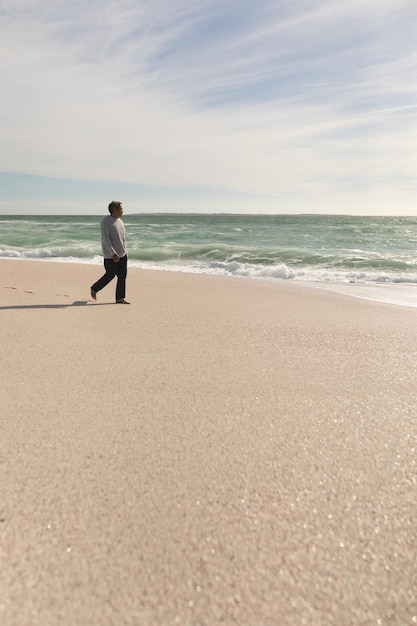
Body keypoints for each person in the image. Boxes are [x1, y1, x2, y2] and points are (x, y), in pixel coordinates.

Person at [90, 201, 130, 304]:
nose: (122, 211)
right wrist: (112, 253)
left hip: (122, 254)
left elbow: (122, 238)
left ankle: (120, 298)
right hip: (111, 256)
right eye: (120, 209)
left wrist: (125, 252)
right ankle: (95, 288)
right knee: (110, 275)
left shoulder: (120, 221)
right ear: (114, 210)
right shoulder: (106, 221)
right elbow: (105, 239)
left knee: (122, 276)